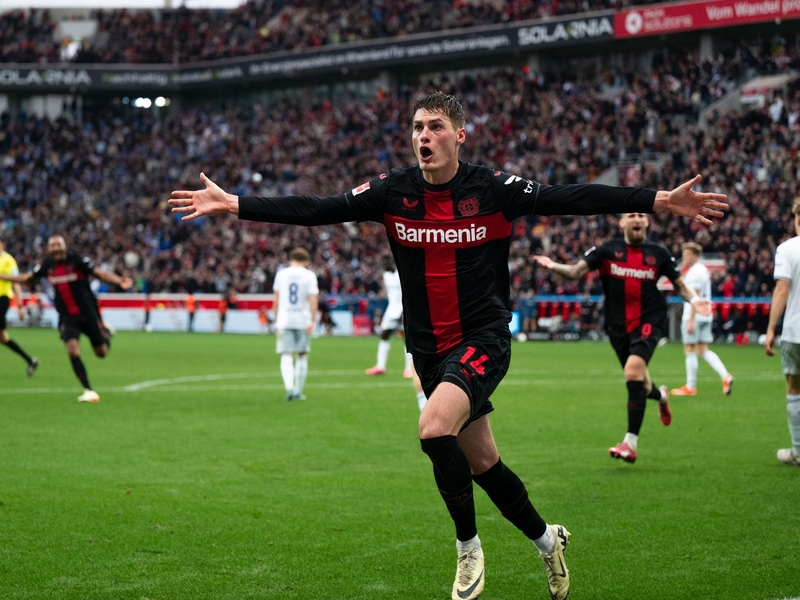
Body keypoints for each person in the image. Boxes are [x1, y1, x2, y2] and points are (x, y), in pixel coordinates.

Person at [169, 92, 727, 600]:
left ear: (460, 135)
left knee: (434, 429)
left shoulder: (493, 190)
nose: (423, 137)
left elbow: (572, 197)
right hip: (429, 350)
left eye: (435, 126)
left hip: (485, 338)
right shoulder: (393, 192)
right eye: (416, 128)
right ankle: (546, 539)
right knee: (484, 463)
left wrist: (658, 201)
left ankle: (467, 550)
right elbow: (319, 208)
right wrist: (235, 203)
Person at [533, 213, 714, 464]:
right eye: (632, 215)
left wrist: (695, 300)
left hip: (650, 320)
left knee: (632, 372)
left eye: (641, 215)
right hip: (617, 326)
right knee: (641, 383)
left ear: (647, 222)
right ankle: (661, 396)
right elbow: (576, 272)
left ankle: (630, 442)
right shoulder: (608, 250)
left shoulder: (658, 253)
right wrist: (554, 267)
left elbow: (680, 285)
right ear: (623, 222)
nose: (637, 219)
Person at [0, 236, 132, 402]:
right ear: (49, 249)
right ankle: (88, 390)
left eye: (58, 244)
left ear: (64, 246)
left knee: (101, 353)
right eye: (52, 245)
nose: (55, 247)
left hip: (88, 313)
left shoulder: (77, 261)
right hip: (67, 317)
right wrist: (2, 276)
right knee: (72, 350)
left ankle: (105, 333)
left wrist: (119, 280)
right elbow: (25, 278)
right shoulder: (47, 265)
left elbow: (99, 273)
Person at [671, 242, 734, 396]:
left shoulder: (695, 272)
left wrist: (691, 319)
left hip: (694, 314)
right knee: (702, 349)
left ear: (695, 255)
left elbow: (695, 296)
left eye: (687, 254)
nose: (684, 257)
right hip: (706, 314)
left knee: (689, 349)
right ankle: (725, 376)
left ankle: (690, 387)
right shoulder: (702, 270)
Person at [765, 197, 800, 467]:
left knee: (793, 388)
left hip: (794, 333)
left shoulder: (788, 249)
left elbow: (782, 290)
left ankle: (798, 451)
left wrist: (769, 330)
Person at [272, 248, 319, 401]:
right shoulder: (310, 275)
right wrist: (312, 320)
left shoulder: (281, 274)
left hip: (284, 319)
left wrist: (275, 320)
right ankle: (298, 391)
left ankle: (289, 388)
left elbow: (276, 299)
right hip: (303, 319)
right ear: (306, 261)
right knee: (302, 355)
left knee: (286, 354)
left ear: (290, 259)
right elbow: (313, 299)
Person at [366, 255, 414, 377]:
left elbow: (406, 292)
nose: (384, 265)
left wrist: (404, 311)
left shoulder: (400, 273)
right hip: (391, 308)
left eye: (386, 262)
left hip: (402, 309)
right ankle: (380, 366)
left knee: (405, 338)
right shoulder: (386, 275)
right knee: (384, 335)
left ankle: (409, 368)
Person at [0, 238, 38, 376]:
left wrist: (20, 305)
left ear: (3, 244)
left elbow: (16, 283)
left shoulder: (8, 261)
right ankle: (30, 360)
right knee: (3, 338)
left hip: (2, 298)